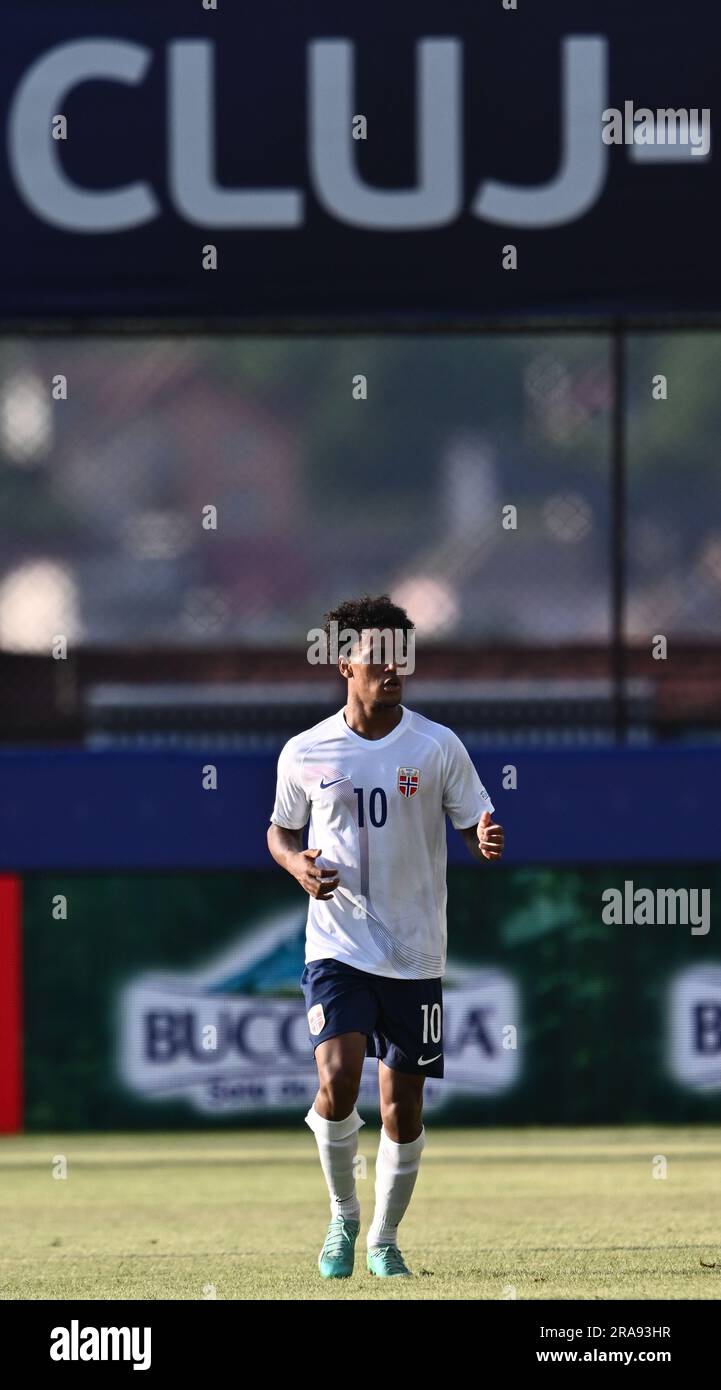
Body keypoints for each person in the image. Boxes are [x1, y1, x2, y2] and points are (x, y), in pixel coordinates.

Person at [267, 594, 504, 1279]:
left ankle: (383, 1238)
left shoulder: (436, 746)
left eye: (401, 655)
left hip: (415, 950)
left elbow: (474, 819)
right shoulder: (306, 750)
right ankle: (341, 1218)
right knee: (338, 1079)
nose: (392, 667)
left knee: (401, 1107)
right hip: (338, 944)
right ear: (344, 662)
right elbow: (280, 829)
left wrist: (482, 838)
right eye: (377, 656)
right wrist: (295, 863)